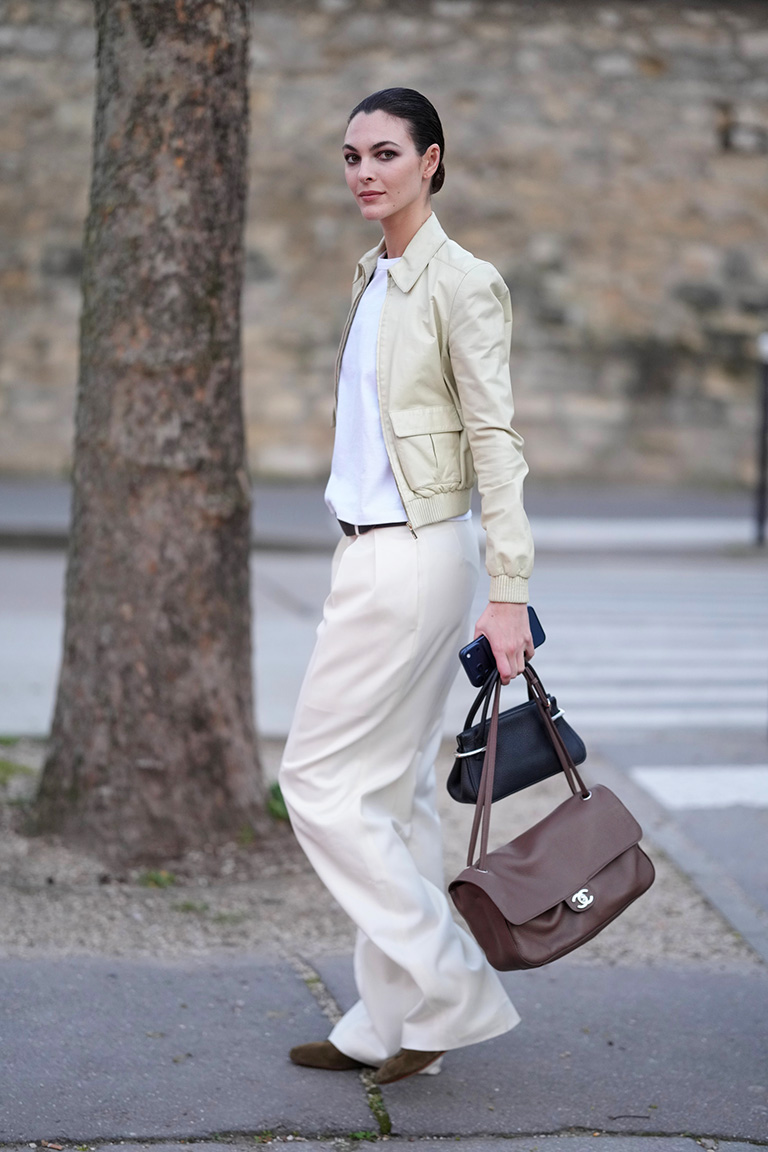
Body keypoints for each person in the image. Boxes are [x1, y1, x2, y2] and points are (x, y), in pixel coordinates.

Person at [279, 87, 535, 1086]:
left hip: (411, 555)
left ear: (431, 161)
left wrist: (508, 590)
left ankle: (453, 989)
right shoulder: (374, 275)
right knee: (389, 796)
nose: (364, 172)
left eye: (385, 153)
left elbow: (495, 440)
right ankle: (392, 1026)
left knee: (314, 783)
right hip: (374, 550)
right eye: (351, 156)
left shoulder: (461, 282)